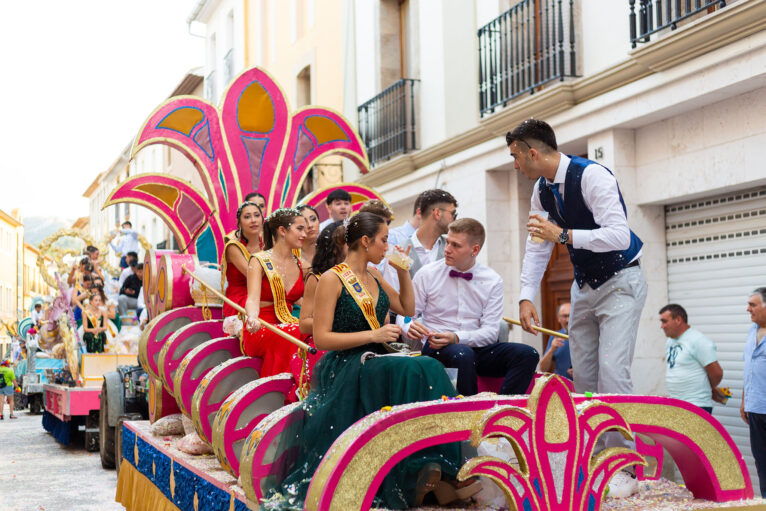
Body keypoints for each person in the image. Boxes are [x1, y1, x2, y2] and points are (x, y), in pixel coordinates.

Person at [271, 212, 479, 508]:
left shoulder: (375, 275)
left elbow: (407, 307)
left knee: (427, 365)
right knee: (414, 367)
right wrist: (374, 335)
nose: (387, 246)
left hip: (378, 357)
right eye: (383, 240)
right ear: (366, 242)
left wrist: (403, 270)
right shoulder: (332, 278)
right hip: (347, 363)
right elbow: (321, 339)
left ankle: (439, 469)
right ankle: (427, 469)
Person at [509, 118, 647, 498]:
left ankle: (625, 467)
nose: (515, 165)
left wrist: (565, 235)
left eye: (516, 157)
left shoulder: (593, 176)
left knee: (613, 372)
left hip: (622, 280)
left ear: (532, 152)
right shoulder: (542, 190)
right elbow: (538, 246)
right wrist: (526, 295)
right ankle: (598, 461)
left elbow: (619, 234)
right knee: (582, 377)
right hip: (584, 286)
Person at [405, 218, 539, 396]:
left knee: (528, 354)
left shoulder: (492, 280)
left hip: (476, 348)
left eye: (455, 245)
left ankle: (504, 409)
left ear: (474, 250)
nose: (447, 249)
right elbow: (406, 315)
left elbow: (491, 332)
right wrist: (409, 326)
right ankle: (471, 412)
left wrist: (457, 337)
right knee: (463, 354)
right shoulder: (427, 274)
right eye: (447, 242)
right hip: (437, 347)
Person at [243, 208, 321, 399]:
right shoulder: (259, 261)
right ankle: (284, 396)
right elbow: (252, 298)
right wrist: (251, 318)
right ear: (282, 231)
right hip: (260, 327)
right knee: (297, 331)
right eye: (299, 228)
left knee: (314, 333)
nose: (305, 233)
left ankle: (311, 389)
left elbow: (312, 298)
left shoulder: (303, 265)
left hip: (289, 323)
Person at [380, 189, 458, 292]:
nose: (455, 219)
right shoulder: (396, 253)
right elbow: (393, 298)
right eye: (453, 214)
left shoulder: (454, 248)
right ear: (437, 213)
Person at [659, 304, 723, 414]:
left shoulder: (698, 340)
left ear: (678, 320)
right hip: (676, 404)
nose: (662, 326)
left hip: (696, 405)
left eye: (665, 321)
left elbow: (717, 373)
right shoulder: (670, 341)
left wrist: (708, 388)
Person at [298, 220, 345, 336]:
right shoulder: (317, 278)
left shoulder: (369, 273)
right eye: (350, 242)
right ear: (335, 248)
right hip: (331, 340)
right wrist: (343, 325)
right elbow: (304, 323)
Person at [222, 201, 265, 320]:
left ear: (262, 218)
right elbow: (253, 276)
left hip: (264, 295)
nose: (253, 220)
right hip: (240, 300)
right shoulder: (233, 247)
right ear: (239, 223)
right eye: (247, 217)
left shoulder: (268, 242)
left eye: (257, 215)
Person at [742, 287, 766, 496]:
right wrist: (744, 401)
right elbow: (748, 367)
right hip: (756, 408)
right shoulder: (752, 331)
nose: (747, 308)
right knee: (761, 460)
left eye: (753, 304)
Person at [538, 303, 572, 380]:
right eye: (565, 316)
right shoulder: (555, 336)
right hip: (562, 386)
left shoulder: (585, 336)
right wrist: (551, 350)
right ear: (558, 318)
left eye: (570, 315)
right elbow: (543, 369)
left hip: (583, 386)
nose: (568, 320)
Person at [297, 204, 320, 271]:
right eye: (304, 222)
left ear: (319, 221)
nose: (310, 225)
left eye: (313, 219)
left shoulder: (330, 249)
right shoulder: (292, 255)